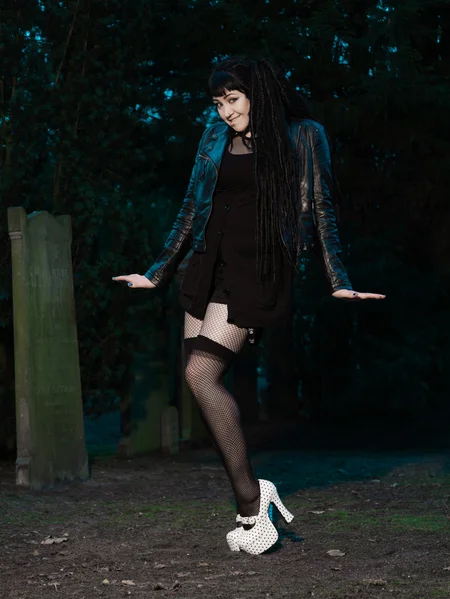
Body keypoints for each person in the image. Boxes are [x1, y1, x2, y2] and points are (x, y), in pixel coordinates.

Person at [112, 56, 385, 555]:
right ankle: (252, 504)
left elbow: (321, 206)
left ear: (259, 94)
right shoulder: (215, 137)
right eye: (218, 103)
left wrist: (337, 278)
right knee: (197, 380)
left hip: (255, 270)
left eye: (232, 100)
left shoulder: (303, 135)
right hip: (206, 263)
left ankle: (251, 502)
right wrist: (157, 271)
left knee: (202, 374)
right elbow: (191, 207)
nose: (224, 112)